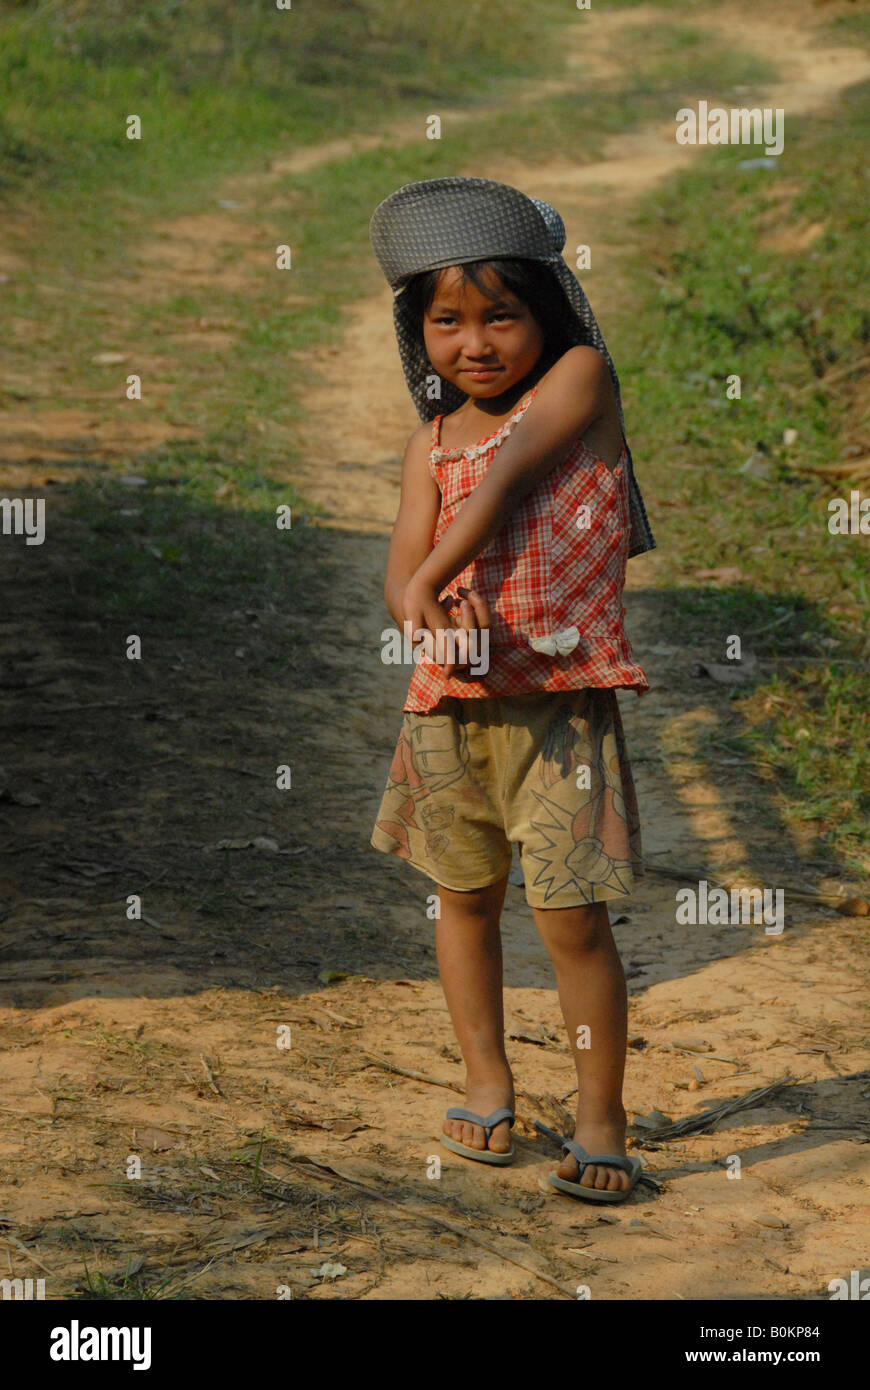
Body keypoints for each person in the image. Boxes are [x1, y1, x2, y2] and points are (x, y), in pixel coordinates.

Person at [368, 178, 654, 1203]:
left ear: (548, 313)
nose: (475, 342)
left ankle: (602, 1117)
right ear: (419, 331)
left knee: (573, 918)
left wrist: (433, 574)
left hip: (561, 701)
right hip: (448, 712)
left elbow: (508, 482)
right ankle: (487, 1081)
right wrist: (420, 610)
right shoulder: (426, 443)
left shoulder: (579, 378)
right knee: (465, 899)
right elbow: (403, 569)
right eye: (447, 320)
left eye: (502, 314)